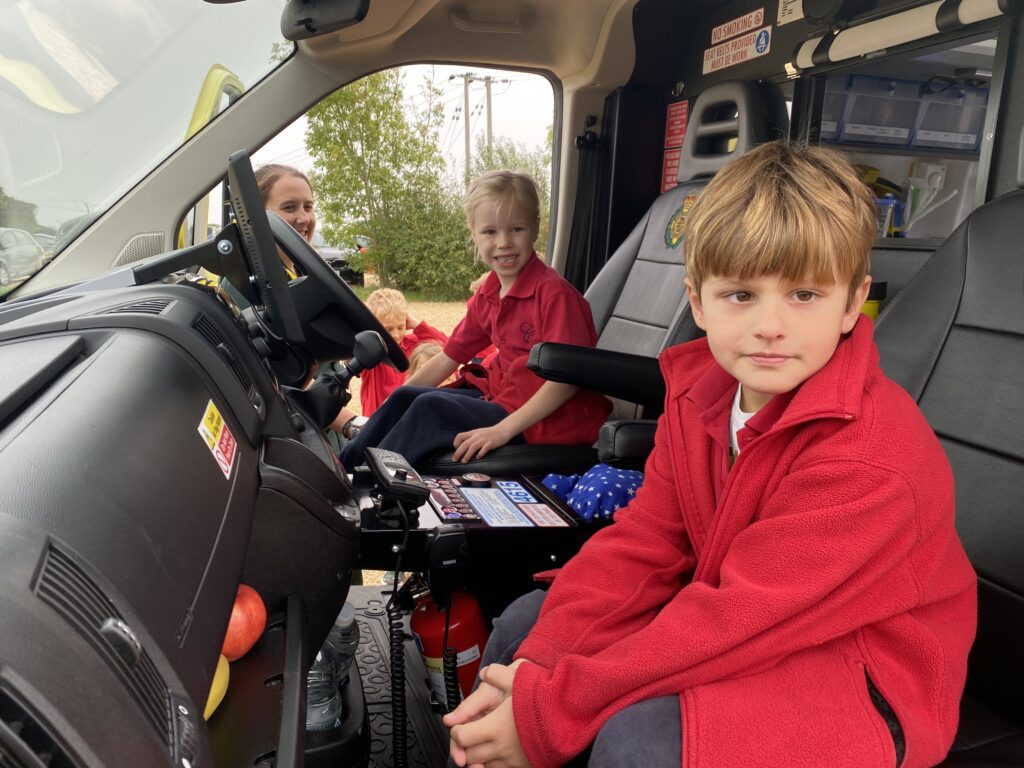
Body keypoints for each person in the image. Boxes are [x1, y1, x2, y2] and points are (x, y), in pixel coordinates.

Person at [444, 142, 977, 768]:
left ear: (852, 302)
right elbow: (648, 538)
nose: (769, 325)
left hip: (860, 672)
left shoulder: (870, 459)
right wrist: (541, 663)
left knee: (641, 740)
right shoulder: (702, 396)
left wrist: (548, 710)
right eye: (741, 295)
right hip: (741, 610)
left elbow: (734, 621)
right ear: (699, 302)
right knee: (525, 629)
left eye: (805, 294)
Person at [339, 170, 610, 469]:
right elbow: (448, 357)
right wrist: (395, 401)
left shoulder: (555, 296)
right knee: (408, 396)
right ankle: (342, 472)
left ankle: (368, 485)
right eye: (490, 232)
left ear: (535, 227)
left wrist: (501, 431)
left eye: (516, 229)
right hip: (502, 399)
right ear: (474, 233)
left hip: (547, 419)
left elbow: (566, 383)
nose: (504, 242)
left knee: (430, 407)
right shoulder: (490, 293)